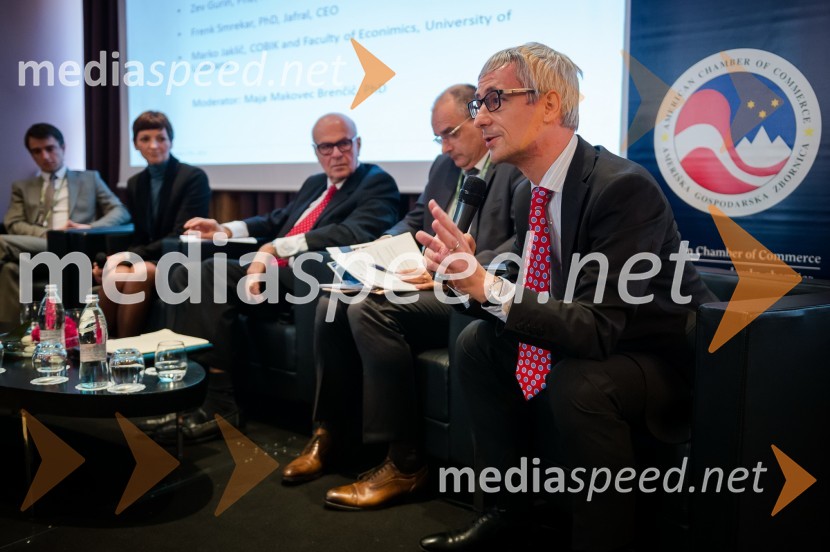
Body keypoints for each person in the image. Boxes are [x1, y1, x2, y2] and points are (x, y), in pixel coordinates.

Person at [415, 43, 716, 552]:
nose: (480, 117)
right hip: (594, 338)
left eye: (494, 100)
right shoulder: (524, 189)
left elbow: (598, 327)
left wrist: (486, 284)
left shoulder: (622, 189)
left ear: (550, 105)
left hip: (655, 359)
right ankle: (506, 513)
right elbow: (524, 293)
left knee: (581, 382)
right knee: (476, 347)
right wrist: (465, 273)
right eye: (477, 105)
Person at [280, 85, 528, 510]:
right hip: (427, 280)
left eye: (451, 133)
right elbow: (413, 221)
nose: (446, 146)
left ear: (478, 119)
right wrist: (378, 249)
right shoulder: (444, 165)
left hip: (468, 289)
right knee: (332, 301)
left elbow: (518, 244)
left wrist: (449, 270)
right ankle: (330, 433)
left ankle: (406, 463)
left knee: (371, 309)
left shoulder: (511, 165)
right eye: (439, 138)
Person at [155, 112, 401, 443]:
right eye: (326, 147)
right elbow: (275, 219)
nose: (336, 154)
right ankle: (191, 394)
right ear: (316, 151)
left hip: (306, 281)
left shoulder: (376, 182)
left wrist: (274, 249)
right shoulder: (316, 184)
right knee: (190, 272)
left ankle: (220, 405)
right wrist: (225, 229)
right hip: (273, 273)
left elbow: (355, 231)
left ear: (357, 143)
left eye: (343, 143)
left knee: (211, 272)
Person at [0, 123, 130, 331]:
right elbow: (13, 223)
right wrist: (50, 235)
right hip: (36, 247)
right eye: (37, 151)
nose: (45, 156)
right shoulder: (22, 187)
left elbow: (120, 211)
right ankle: (15, 335)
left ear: (63, 147)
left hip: (73, 246)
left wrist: (87, 226)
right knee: (9, 268)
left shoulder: (89, 179)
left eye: (50, 149)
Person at [94, 111, 210, 337]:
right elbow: (141, 234)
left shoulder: (193, 177)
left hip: (180, 254)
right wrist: (118, 258)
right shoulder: (136, 183)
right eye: (145, 139)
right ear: (135, 144)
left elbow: (178, 235)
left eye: (161, 138)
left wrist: (129, 256)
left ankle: (127, 354)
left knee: (140, 271)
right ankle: (100, 353)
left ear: (171, 141)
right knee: (115, 274)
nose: (154, 145)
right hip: (148, 254)